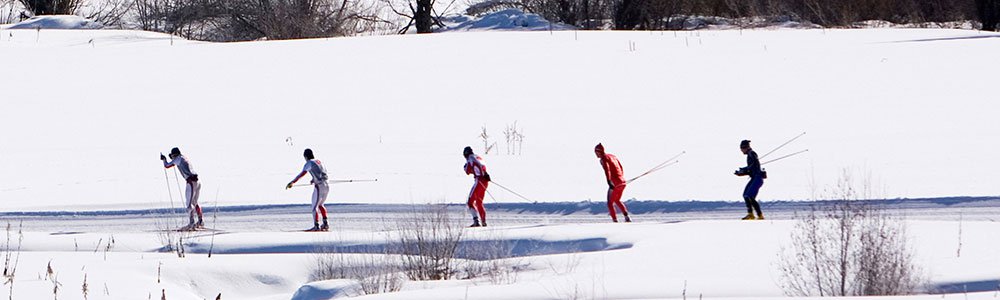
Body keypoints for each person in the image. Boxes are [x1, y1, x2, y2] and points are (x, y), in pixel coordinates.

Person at [286, 148, 330, 231]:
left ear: (306, 157)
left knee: (314, 207)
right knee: (321, 205)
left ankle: (316, 226)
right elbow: (321, 173)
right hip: (327, 185)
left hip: (319, 186)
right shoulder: (319, 161)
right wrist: (314, 179)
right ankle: (325, 224)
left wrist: (292, 182)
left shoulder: (309, 163)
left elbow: (302, 174)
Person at [161, 147, 203, 229]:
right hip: (197, 181)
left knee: (189, 204)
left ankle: (191, 223)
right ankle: (200, 221)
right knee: (195, 202)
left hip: (191, 182)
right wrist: (173, 159)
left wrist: (164, 159)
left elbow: (167, 165)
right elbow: (176, 162)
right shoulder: (183, 157)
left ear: (174, 155)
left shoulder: (178, 159)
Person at [595, 143, 631, 223]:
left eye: (596, 152)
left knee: (610, 202)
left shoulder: (603, 159)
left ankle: (615, 220)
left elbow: (607, 170)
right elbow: (621, 167)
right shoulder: (613, 156)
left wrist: (609, 182)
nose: (596, 154)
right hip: (622, 181)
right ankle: (627, 217)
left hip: (615, 182)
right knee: (617, 200)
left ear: (599, 152)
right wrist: (621, 178)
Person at [735, 140, 765, 220]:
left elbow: (753, 165)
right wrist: (742, 171)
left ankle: (759, 215)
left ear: (745, 148)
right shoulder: (750, 154)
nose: (741, 151)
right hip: (754, 178)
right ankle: (751, 214)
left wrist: (744, 170)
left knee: (749, 196)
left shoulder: (751, 153)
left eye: (741, 149)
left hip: (757, 178)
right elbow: (752, 167)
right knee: (746, 195)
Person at [463, 146, 490, 227]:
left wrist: (465, 167)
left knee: (470, 202)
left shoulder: (470, 158)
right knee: (479, 202)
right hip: (485, 181)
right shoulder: (478, 157)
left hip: (479, 181)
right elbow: (482, 167)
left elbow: (467, 170)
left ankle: (476, 221)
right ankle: (483, 221)